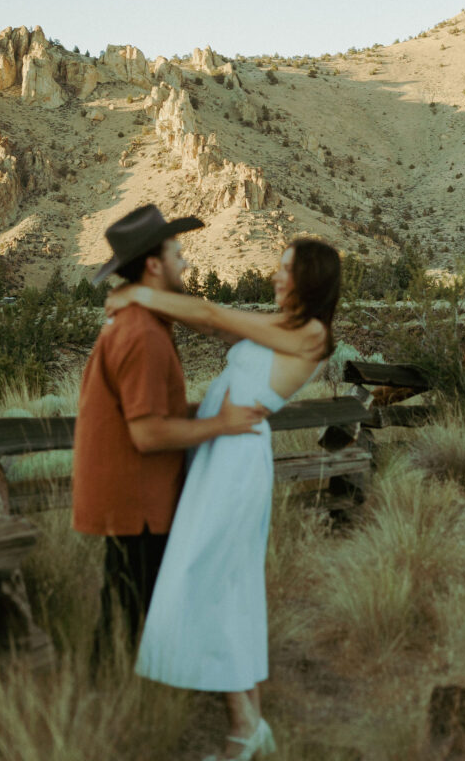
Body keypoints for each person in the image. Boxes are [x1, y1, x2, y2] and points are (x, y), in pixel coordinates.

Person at [105, 237, 341, 761]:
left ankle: (242, 728)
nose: (275, 276)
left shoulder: (311, 332)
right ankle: (250, 727)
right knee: (227, 583)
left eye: (285, 269)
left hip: (234, 462)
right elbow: (211, 323)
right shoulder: (286, 325)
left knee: (208, 579)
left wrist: (138, 297)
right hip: (220, 457)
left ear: (309, 280)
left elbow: (213, 313)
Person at [72, 204, 266, 671]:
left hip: (135, 498)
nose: (186, 262)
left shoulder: (146, 323)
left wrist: (208, 413)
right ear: (155, 265)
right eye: (178, 253)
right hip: (137, 501)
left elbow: (155, 414)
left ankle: (118, 702)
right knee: (129, 613)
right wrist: (223, 424)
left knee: (125, 608)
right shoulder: (142, 335)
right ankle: (117, 711)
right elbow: (148, 432)